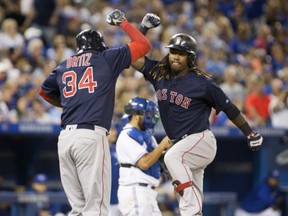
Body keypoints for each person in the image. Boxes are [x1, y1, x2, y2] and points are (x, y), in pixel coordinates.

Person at [131, 13, 264, 215]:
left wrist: (249, 133)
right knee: (190, 193)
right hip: (181, 144)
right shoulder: (160, 72)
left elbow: (229, 108)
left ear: (190, 57)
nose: (175, 56)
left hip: (200, 140)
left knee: (173, 158)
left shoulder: (203, 83)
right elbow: (133, 56)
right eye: (173, 51)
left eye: (181, 53)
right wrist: (143, 28)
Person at [38, 9, 151, 215]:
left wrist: (74, 103)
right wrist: (124, 23)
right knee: (96, 209)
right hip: (89, 136)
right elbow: (144, 45)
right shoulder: (105, 58)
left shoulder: (64, 65)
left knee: (78, 209)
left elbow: (44, 92)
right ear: (99, 46)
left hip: (65, 139)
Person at [116, 97, 171, 216]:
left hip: (148, 193)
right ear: (136, 115)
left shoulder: (147, 135)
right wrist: (162, 145)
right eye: (147, 114)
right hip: (135, 190)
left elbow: (158, 156)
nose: (150, 117)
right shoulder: (127, 135)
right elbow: (144, 163)